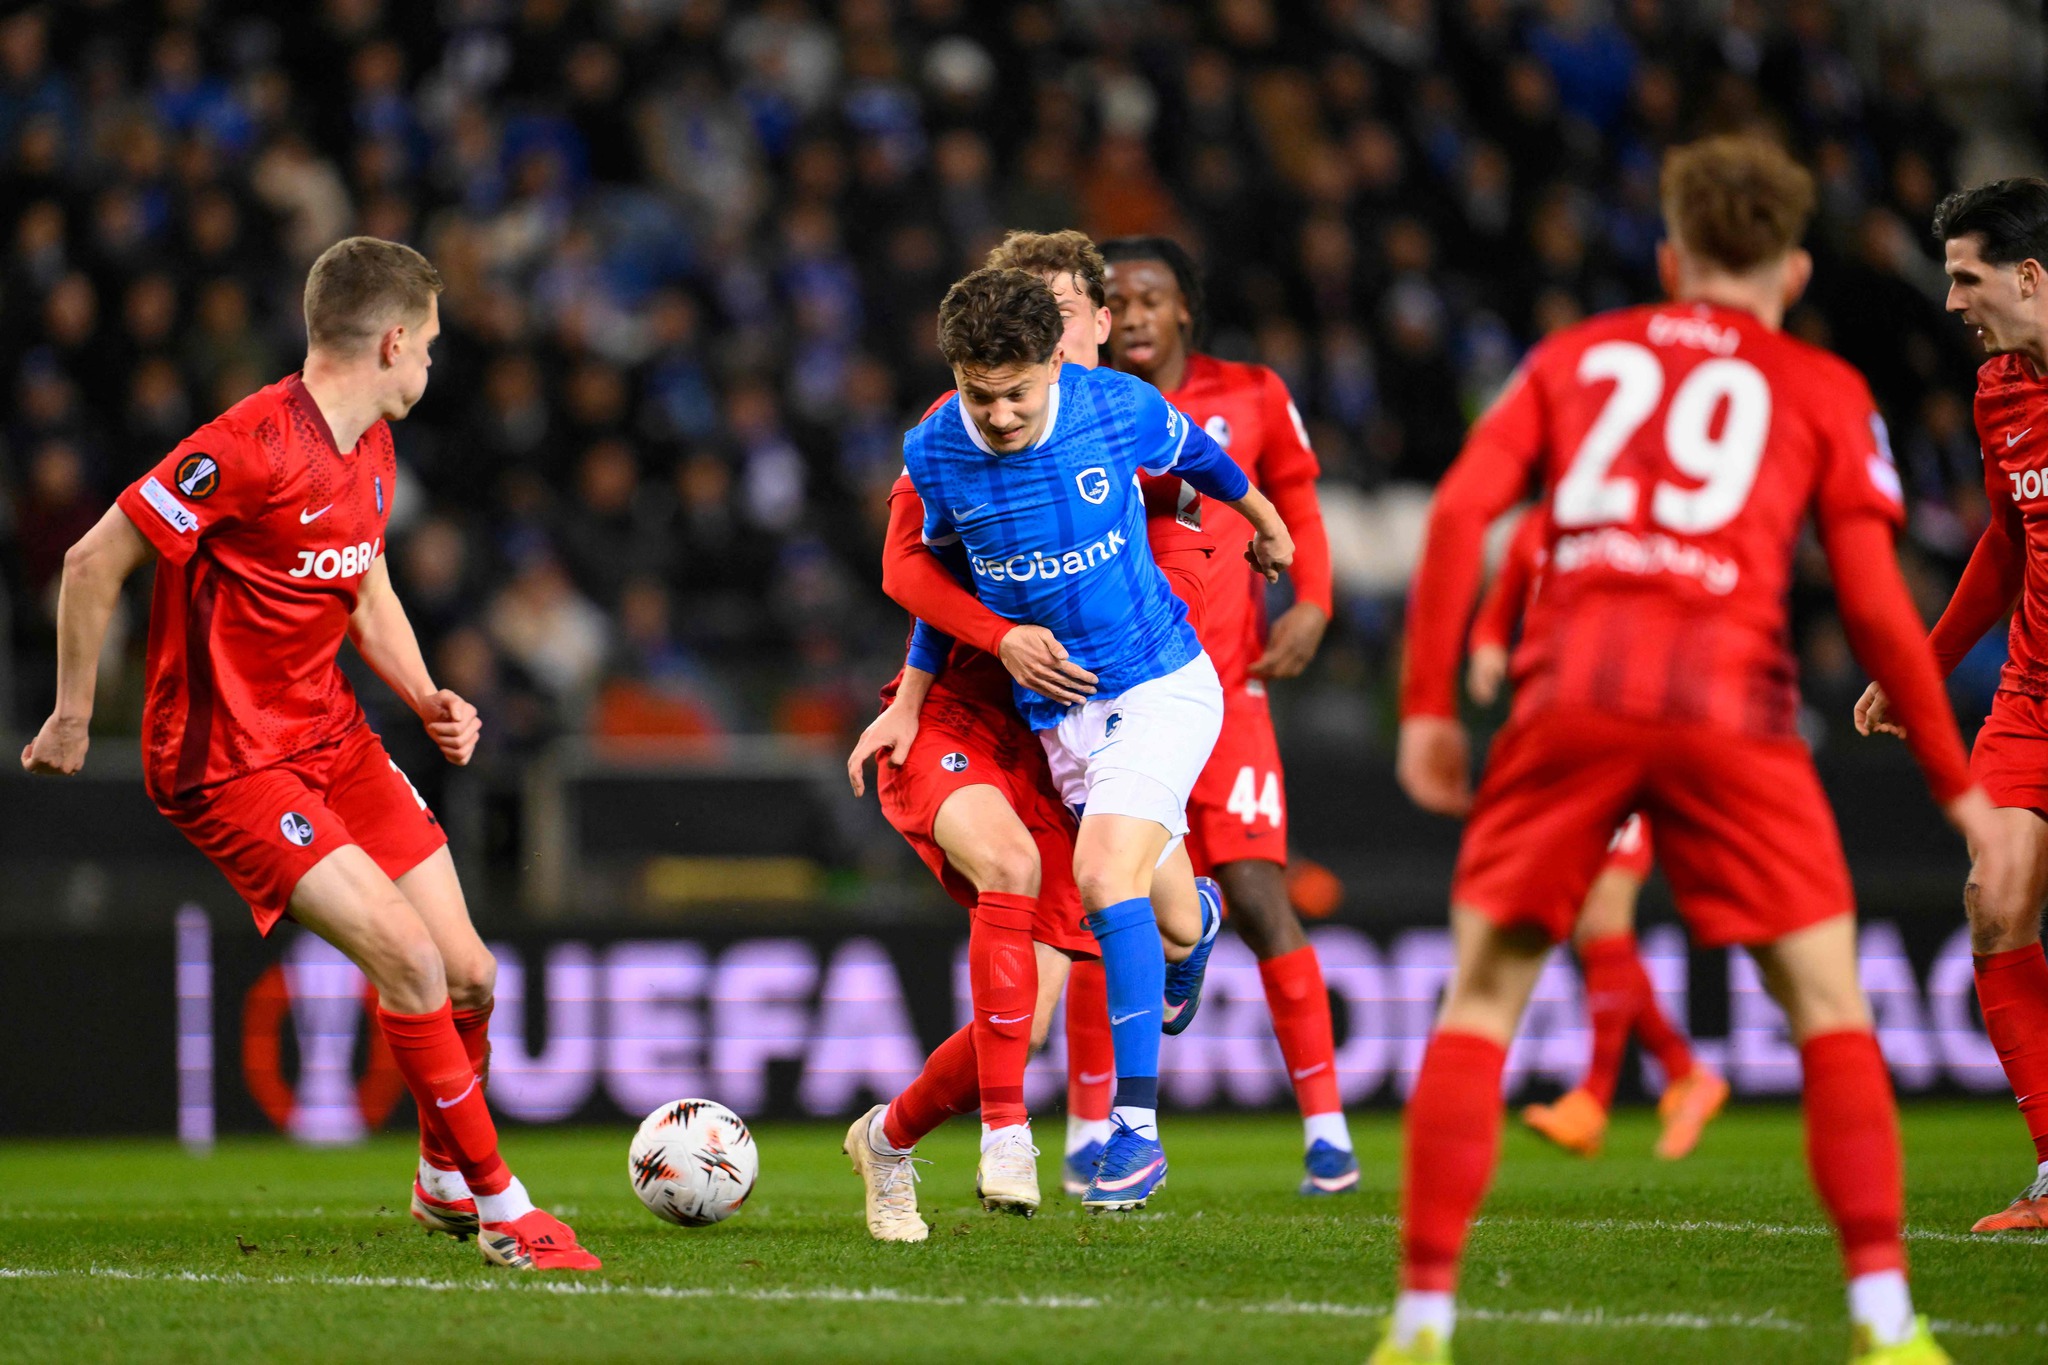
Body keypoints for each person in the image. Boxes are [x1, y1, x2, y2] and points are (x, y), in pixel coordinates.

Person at [1379, 136, 1996, 1364]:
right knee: (1826, 1005)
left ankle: (1420, 1320)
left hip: (1568, 702)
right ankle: (1884, 1320)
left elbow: (1458, 510)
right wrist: (1956, 785)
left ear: (1668, 257)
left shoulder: (1574, 355)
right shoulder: (1818, 386)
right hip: (1733, 708)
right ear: (1793, 269)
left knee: (1482, 1000)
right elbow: (1874, 603)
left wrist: (1428, 709)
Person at [20, 237, 598, 1273]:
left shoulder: (372, 443)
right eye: (425, 343)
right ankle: (504, 1208)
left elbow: (364, 590)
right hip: (227, 762)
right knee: (408, 961)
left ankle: (436, 1182)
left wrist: (424, 698)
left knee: (467, 974)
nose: (430, 362)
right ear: (388, 342)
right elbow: (90, 557)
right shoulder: (245, 445)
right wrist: (72, 712)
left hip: (329, 734)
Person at [843, 231, 1224, 1237]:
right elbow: (917, 571)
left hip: (1081, 725)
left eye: (1067, 316)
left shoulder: (1112, 431)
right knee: (1016, 873)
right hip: (967, 707)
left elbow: (1187, 528)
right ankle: (1006, 1135)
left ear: (1089, 329)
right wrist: (931, 679)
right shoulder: (957, 437)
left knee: (1119, 958)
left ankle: (885, 1134)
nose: (1051, 342)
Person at [900, 266, 1292, 1212]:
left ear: (1053, 367)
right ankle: (1192, 923)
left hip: (1162, 682)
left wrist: (1267, 523)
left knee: (1102, 877)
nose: (995, 415)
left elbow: (1201, 456)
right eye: (977, 393)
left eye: (1016, 393)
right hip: (1062, 719)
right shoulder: (933, 449)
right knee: (1164, 914)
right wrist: (915, 693)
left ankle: (1136, 1133)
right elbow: (940, 577)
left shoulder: (1115, 406)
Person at [1099, 234, 1359, 1196]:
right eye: (1114, 298)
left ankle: (1327, 1131)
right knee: (1108, 895)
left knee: (1255, 894)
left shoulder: (1250, 392)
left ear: (1182, 311)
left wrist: (1316, 602)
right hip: (1124, 695)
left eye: (1149, 297)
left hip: (1228, 686)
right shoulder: (1074, 405)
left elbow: (1299, 501)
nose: (1130, 313)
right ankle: (1101, 1125)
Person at [1856, 177, 2048, 1235]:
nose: (1948, 303)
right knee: (1992, 902)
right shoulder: (1996, 392)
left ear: (2025, 277)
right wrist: (1920, 663)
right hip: (2031, 691)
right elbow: (2004, 540)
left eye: (1962, 278)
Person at [1466, 509, 1727, 1161]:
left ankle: (1595, 1098)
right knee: (1590, 924)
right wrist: (1488, 654)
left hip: (1622, 735)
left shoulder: (1633, 529)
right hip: (1555, 748)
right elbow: (1497, 617)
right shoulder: (1532, 535)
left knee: (1601, 915)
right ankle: (1684, 1071)